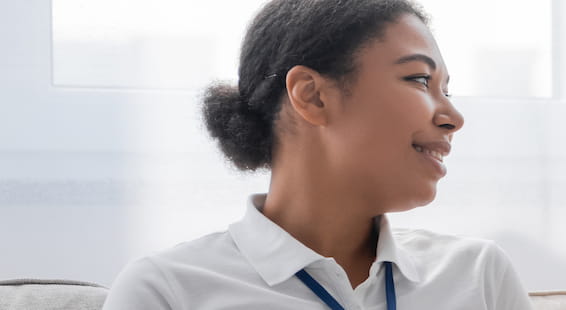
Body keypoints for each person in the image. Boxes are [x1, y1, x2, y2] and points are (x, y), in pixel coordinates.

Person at [102, 1, 533, 309]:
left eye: (447, 90)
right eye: (419, 79)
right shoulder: (166, 292)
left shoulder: (478, 275)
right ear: (312, 96)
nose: (453, 117)